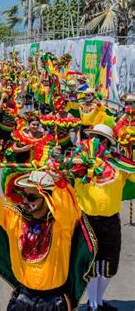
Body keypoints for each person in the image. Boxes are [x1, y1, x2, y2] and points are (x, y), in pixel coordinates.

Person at [0, 161, 96, 310]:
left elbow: (68, 209)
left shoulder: (62, 225)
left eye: (32, 197)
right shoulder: (15, 218)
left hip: (53, 302)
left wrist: (59, 181)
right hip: (22, 299)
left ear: (48, 199)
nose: (25, 201)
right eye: (23, 195)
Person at [74, 124, 135, 311]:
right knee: (91, 266)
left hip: (111, 220)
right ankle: (93, 305)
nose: (94, 141)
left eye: (99, 138)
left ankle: (99, 301)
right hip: (87, 220)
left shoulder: (119, 164)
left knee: (110, 264)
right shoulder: (79, 163)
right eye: (92, 137)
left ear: (108, 143)